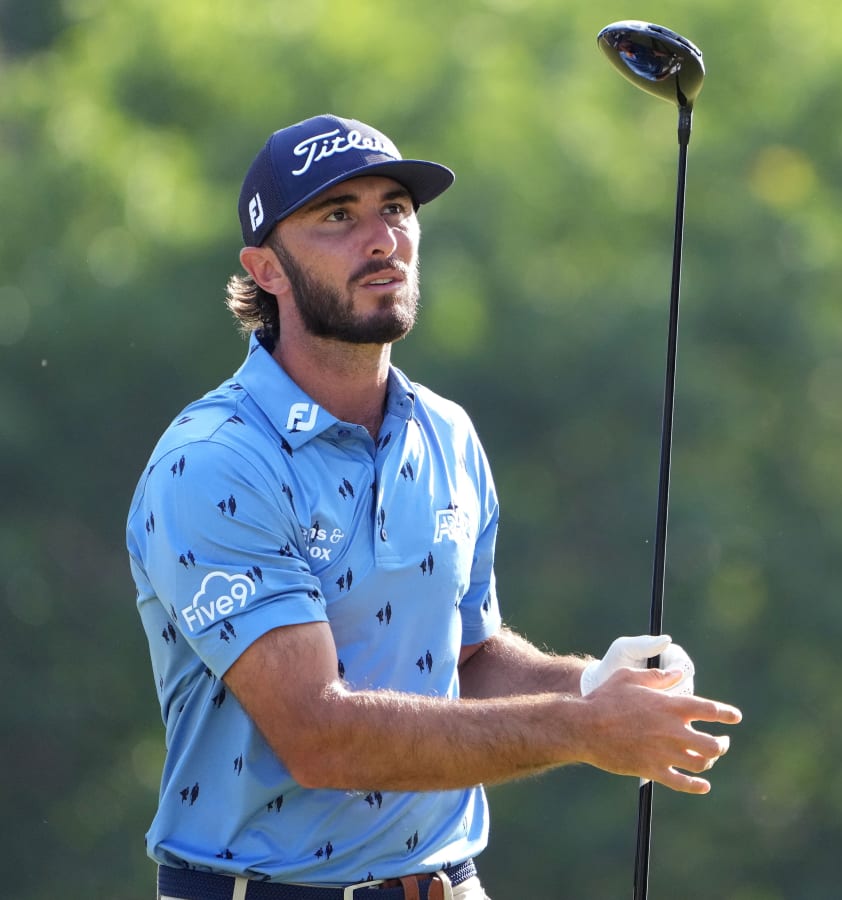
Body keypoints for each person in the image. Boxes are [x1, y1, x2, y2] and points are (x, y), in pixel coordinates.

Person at [126, 113, 742, 900]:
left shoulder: (444, 433)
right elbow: (320, 738)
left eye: (396, 208)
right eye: (338, 216)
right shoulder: (217, 460)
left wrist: (598, 687)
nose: (381, 238)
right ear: (266, 269)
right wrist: (584, 730)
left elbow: (467, 660)